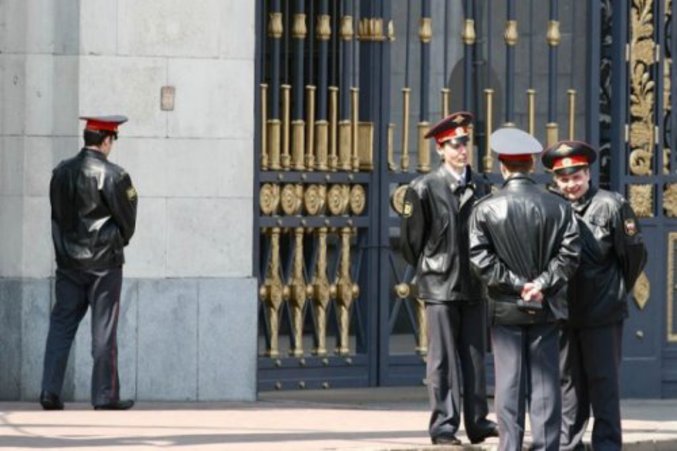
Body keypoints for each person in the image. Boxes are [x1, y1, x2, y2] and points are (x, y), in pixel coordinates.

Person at [468, 127, 581, 451]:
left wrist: (518, 286)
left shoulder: (485, 208)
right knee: (546, 384)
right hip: (545, 305)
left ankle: (510, 446)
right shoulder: (559, 207)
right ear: (532, 164)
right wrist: (541, 285)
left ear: (503, 166)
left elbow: (481, 261)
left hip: (505, 307)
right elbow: (570, 256)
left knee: (508, 382)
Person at [399, 111, 498, 445]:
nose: (461, 149)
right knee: (441, 362)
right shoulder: (424, 187)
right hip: (440, 285)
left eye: (465, 142)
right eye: (454, 144)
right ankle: (443, 426)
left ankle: (478, 421)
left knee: (474, 359)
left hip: (473, 284)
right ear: (440, 149)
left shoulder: (482, 185)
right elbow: (411, 242)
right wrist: (433, 267)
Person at [541, 141, 647, 451]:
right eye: (563, 178)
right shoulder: (551, 206)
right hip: (563, 312)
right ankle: (570, 444)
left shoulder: (611, 205)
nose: (570, 185)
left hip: (602, 313)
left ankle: (607, 445)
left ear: (588, 174)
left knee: (604, 384)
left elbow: (635, 256)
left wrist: (613, 289)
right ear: (555, 180)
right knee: (568, 385)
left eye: (576, 177)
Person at [40, 115, 138, 411]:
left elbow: (57, 216)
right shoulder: (115, 175)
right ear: (107, 140)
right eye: (112, 140)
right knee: (103, 331)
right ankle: (105, 396)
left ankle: (49, 392)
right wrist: (117, 242)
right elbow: (128, 221)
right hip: (103, 264)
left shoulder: (60, 172)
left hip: (69, 262)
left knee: (60, 327)